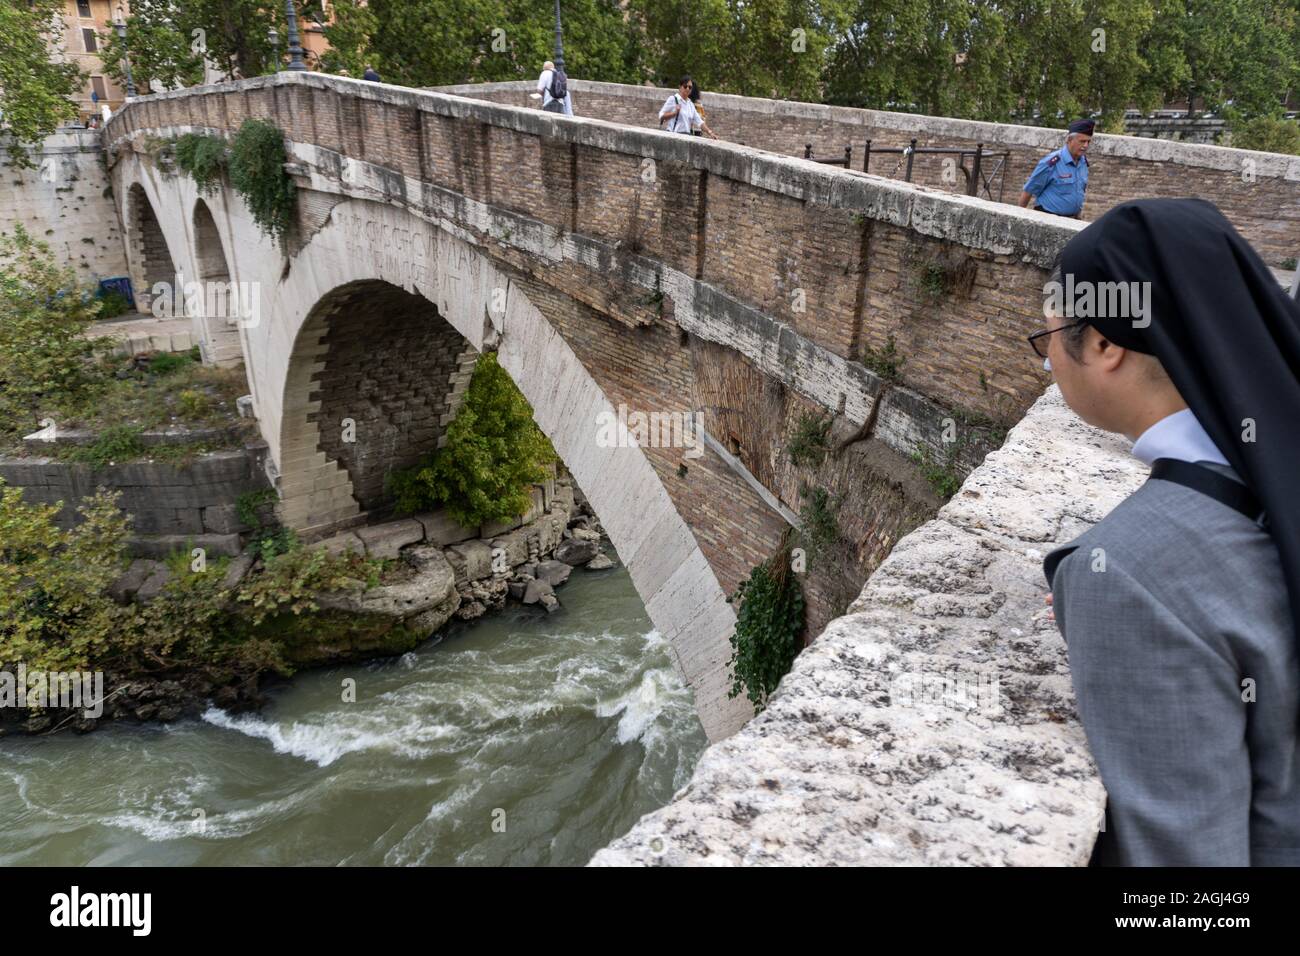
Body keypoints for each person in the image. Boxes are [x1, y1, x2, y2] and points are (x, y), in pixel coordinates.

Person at [1034, 198, 1300, 866]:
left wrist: (1121, 600)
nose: (1048, 366)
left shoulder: (1128, 573)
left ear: (1103, 343)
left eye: (1049, 341)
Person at [1019, 118, 1093, 218]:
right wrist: (1019, 216)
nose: (1086, 145)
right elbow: (1028, 190)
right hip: (1048, 218)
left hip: (1072, 219)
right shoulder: (1051, 162)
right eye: (1082, 141)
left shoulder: (1083, 162)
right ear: (1069, 140)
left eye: (1088, 142)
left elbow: (1078, 191)